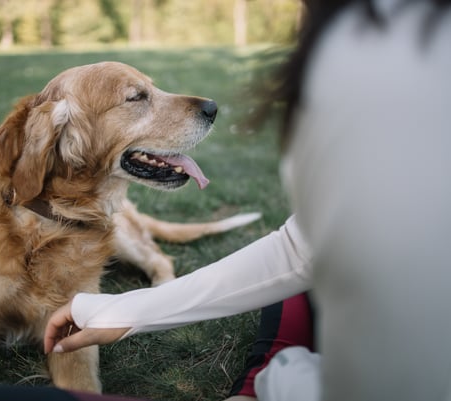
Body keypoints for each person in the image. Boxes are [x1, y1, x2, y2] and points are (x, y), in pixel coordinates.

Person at [45, 1, 451, 400]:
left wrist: (277, 378)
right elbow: (303, 250)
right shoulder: (377, 44)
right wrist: (135, 311)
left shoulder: (382, 52)